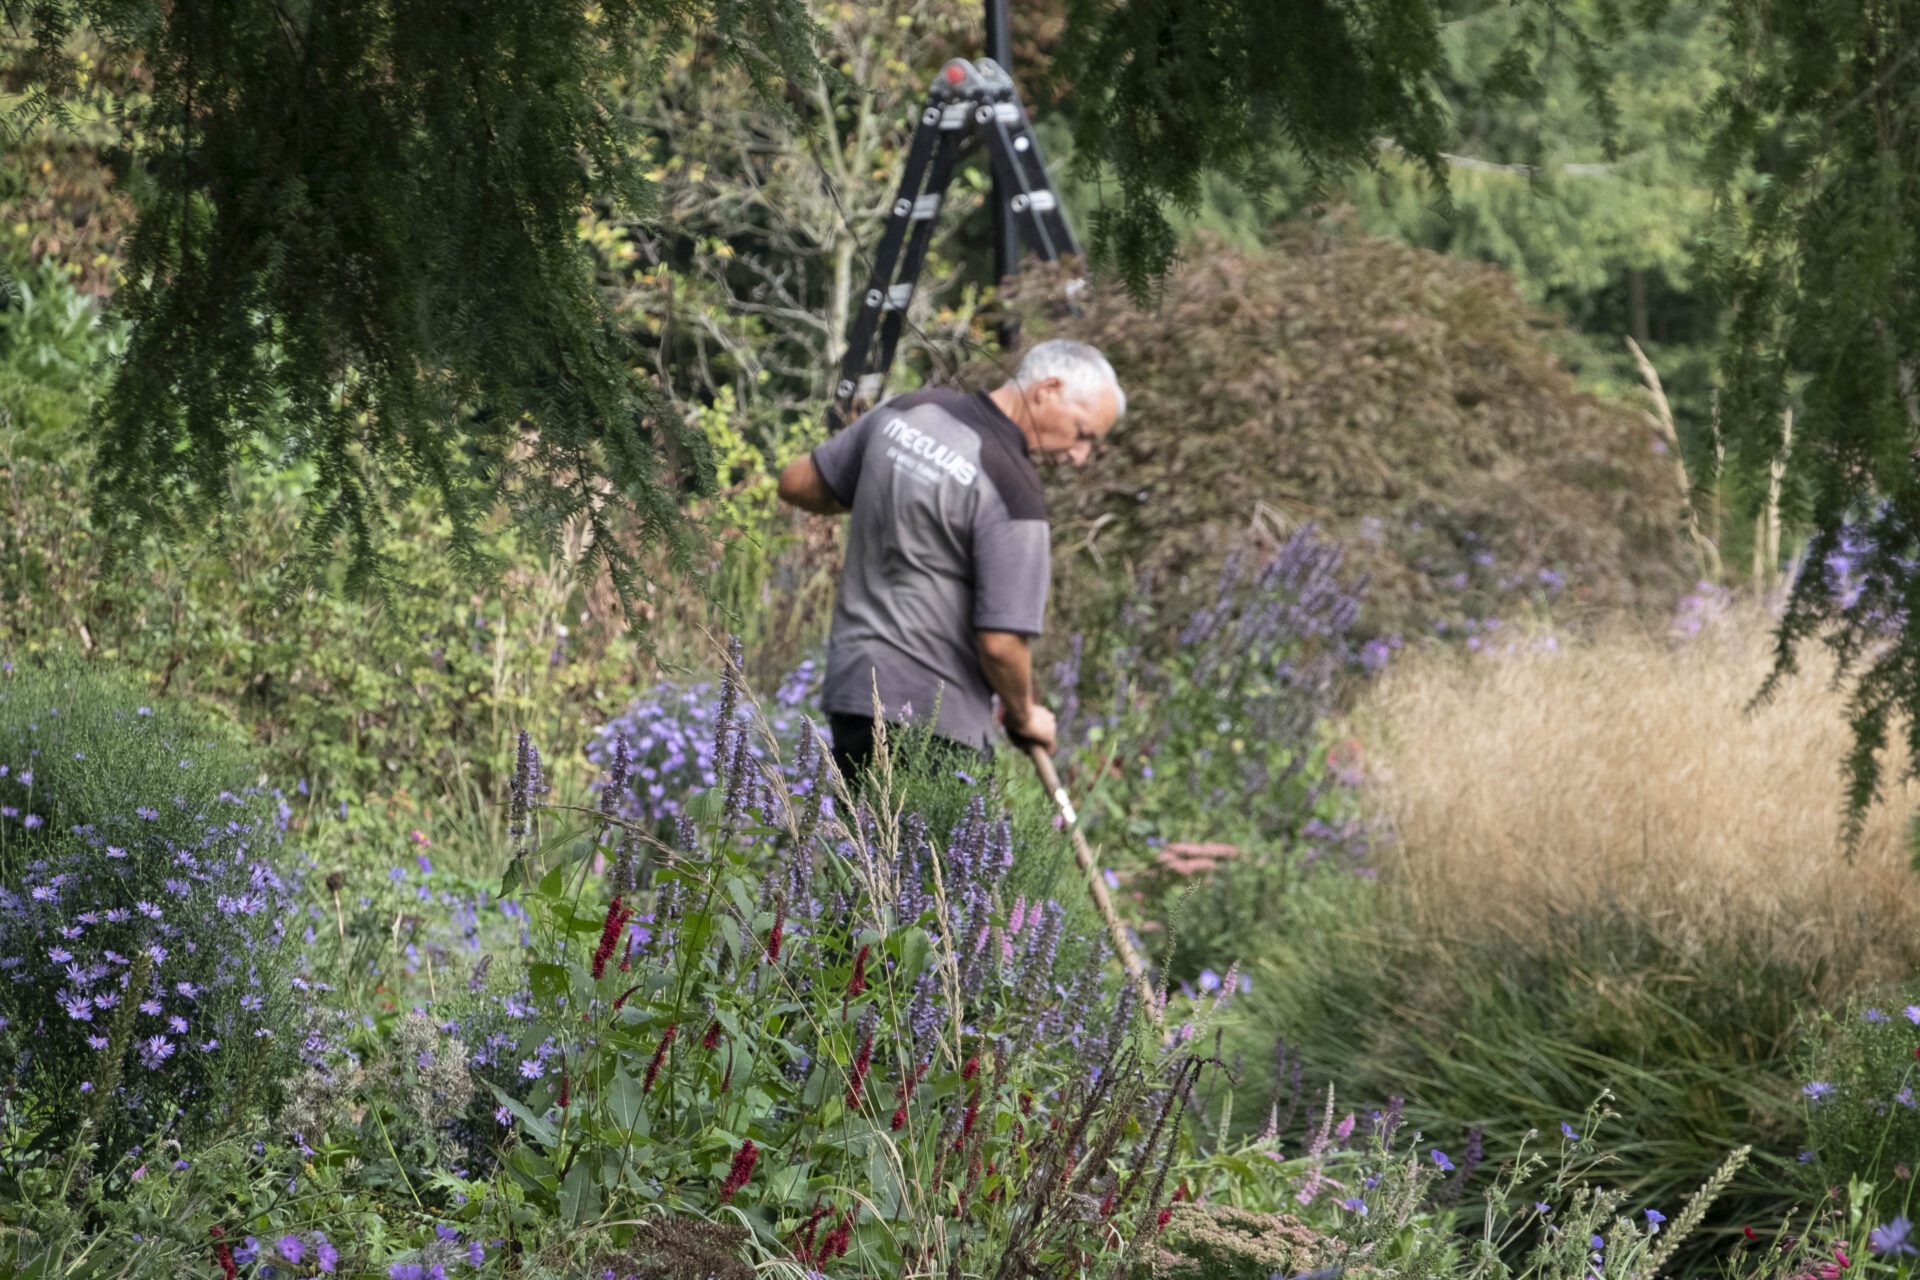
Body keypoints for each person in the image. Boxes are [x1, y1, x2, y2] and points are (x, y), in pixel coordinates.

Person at [776, 339, 1126, 784]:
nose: (1080, 456)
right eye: (1082, 433)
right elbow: (1001, 645)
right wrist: (1025, 715)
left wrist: (895, 497)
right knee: (939, 855)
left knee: (866, 850)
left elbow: (796, 482)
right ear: (1047, 389)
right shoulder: (1012, 491)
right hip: (934, 718)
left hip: (854, 695)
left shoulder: (908, 411)